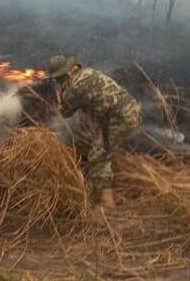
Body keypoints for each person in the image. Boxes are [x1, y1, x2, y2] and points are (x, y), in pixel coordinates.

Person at [48, 56, 142, 211]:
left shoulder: (74, 88)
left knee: (98, 156)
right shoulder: (87, 72)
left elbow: (65, 113)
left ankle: (106, 205)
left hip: (118, 119)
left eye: (58, 79)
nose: (58, 82)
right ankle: (94, 186)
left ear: (64, 75)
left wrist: (59, 95)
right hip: (130, 111)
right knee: (85, 143)